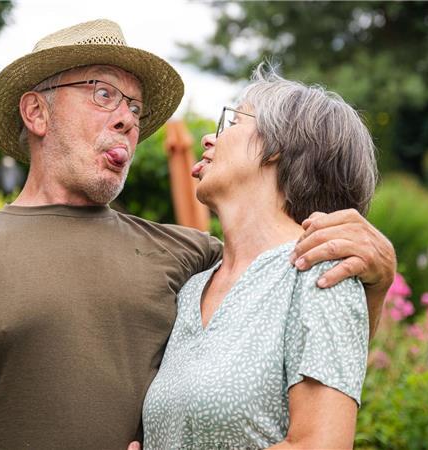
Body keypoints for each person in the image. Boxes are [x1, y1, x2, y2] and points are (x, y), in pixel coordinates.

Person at [0, 20, 396, 449]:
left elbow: (303, 332)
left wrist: (372, 281)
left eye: (134, 106)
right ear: (36, 111)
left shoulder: (195, 259)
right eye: (104, 94)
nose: (129, 119)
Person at [141, 66, 381, 449]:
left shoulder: (318, 274)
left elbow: (318, 445)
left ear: (277, 146)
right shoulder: (193, 288)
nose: (208, 137)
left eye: (232, 122)